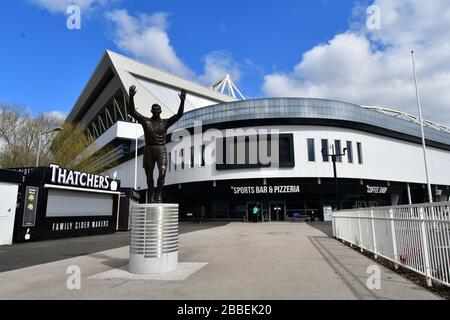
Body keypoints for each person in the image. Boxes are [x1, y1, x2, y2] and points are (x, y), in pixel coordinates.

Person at [129, 85, 186, 203]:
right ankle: (151, 195)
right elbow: (133, 112)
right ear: (151, 111)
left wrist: (182, 101)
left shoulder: (165, 123)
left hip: (161, 150)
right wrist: (131, 97)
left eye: (157, 109)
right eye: (153, 109)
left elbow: (178, 115)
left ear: (160, 111)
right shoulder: (146, 121)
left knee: (162, 172)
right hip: (149, 150)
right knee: (149, 177)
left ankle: (158, 194)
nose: (155, 111)